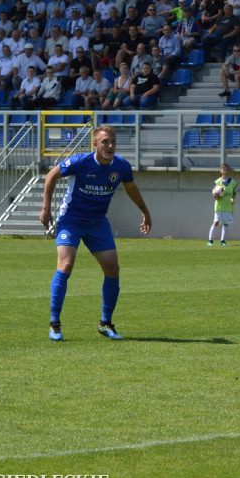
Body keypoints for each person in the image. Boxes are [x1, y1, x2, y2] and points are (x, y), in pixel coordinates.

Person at [40, 125, 152, 342]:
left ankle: (106, 323)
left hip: (97, 223)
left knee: (112, 268)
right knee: (66, 264)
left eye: (112, 142)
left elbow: (130, 187)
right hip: (70, 220)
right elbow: (51, 176)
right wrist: (46, 208)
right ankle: (54, 323)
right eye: (104, 142)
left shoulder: (121, 166)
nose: (110, 146)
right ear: (95, 144)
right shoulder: (80, 162)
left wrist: (145, 211)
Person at [208, 163, 237, 246]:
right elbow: (214, 193)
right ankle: (210, 240)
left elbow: (234, 192)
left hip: (228, 205)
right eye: (223, 170)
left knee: (225, 223)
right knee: (216, 222)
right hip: (219, 205)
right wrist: (216, 196)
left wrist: (233, 198)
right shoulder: (217, 181)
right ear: (220, 171)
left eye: (226, 170)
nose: (225, 171)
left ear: (229, 171)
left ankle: (223, 241)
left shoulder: (233, 182)